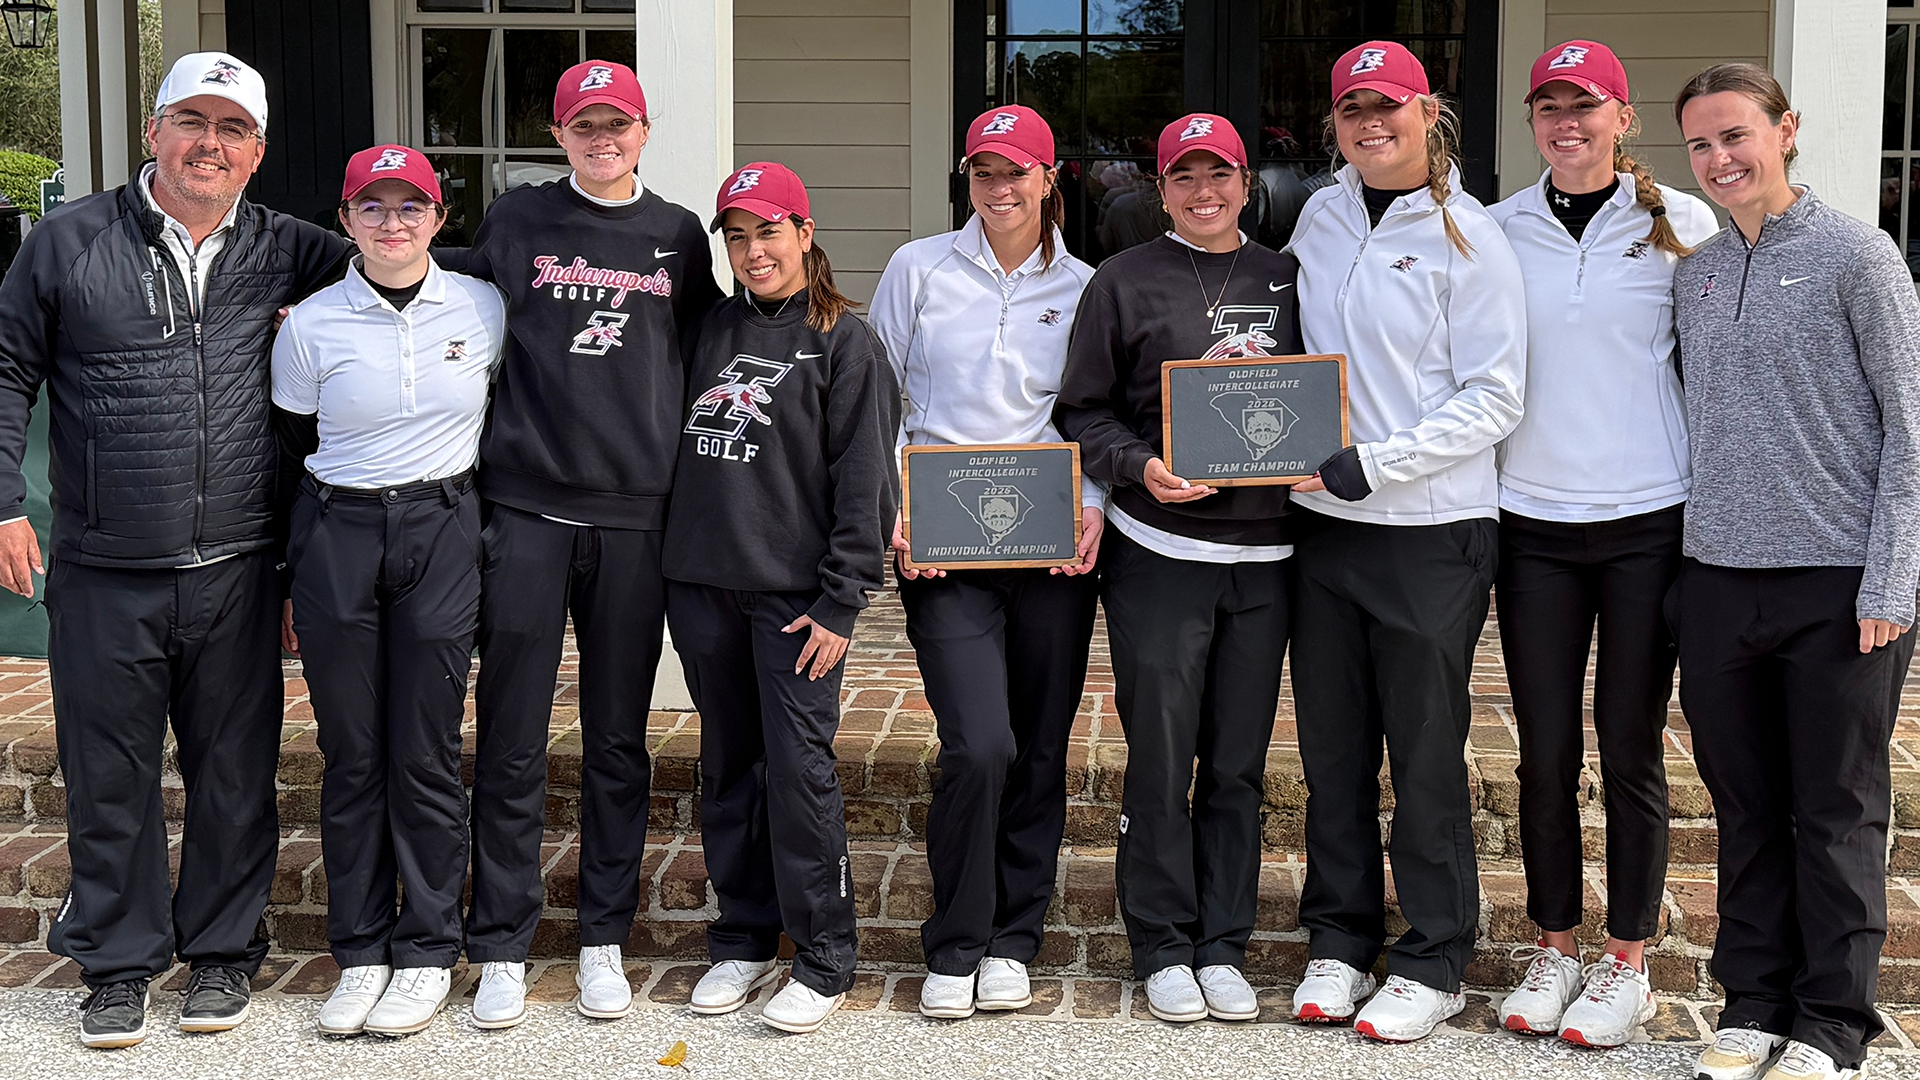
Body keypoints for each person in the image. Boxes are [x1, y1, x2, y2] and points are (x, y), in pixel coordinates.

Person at [0, 52, 350, 1048]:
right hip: (106, 566)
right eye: (191, 121)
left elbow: (404, 273)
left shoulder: (294, 252)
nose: (210, 144)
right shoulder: (68, 243)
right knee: (108, 776)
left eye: (232, 129)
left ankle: (224, 952)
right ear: (153, 131)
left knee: (234, 775)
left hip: (240, 564)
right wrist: (3, 505)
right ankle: (117, 965)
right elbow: (5, 367)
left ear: (257, 153)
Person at [453, 59, 724, 1028]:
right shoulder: (517, 220)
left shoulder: (679, 235)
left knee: (617, 738)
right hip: (527, 509)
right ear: (558, 136)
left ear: (644, 131)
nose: (602, 139)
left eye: (617, 124)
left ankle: (604, 935)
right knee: (512, 737)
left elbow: (706, 353)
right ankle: (501, 942)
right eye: (583, 125)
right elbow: (445, 302)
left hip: (634, 519)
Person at [1671, 63, 1920, 1080]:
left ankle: (1830, 1024)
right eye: (1701, 143)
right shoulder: (1693, 273)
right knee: (1744, 807)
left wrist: (1892, 581)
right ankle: (1752, 1003)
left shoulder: (1860, 256)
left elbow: (1910, 428)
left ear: (1786, 130)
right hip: (1718, 580)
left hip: (1838, 582)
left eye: (1736, 134)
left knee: (1835, 809)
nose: (1720, 158)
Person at [1283, 41, 1526, 1043]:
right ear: (1335, 124)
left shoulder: (1473, 236)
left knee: (1424, 754)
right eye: (1353, 109)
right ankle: (1340, 939)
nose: (1370, 123)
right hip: (1323, 530)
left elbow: (1496, 396)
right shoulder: (1321, 214)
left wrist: (1377, 464)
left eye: (1388, 105)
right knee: (1333, 750)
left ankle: (1434, 956)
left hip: (1429, 529)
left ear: (1429, 112)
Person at [1484, 40, 1719, 1048]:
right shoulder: (1496, 230)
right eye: (1550, 106)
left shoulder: (1686, 225)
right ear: (1532, 122)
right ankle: (1554, 945)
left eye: (1585, 105)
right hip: (1532, 523)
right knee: (1543, 752)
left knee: (1629, 746)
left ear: (1623, 118)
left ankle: (1626, 960)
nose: (1566, 122)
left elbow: (1718, 373)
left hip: (1646, 522)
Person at [1055, 113, 1299, 1025]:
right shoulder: (1122, 281)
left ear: (1247, 182)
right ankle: (1161, 941)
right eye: (1184, 177)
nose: (1205, 192)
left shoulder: (1290, 277)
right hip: (1161, 551)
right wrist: (1140, 466)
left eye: (1220, 174)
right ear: (1159, 190)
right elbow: (1083, 411)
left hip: (1269, 555)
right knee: (1161, 757)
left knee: (1237, 761)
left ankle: (1223, 943)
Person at [868, 105, 1101, 1020]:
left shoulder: (1085, 285)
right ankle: (959, 939)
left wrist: (1093, 505)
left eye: (1016, 172)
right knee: (979, 743)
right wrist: (896, 505)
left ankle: (1014, 937)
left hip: (1048, 543)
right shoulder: (919, 267)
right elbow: (878, 397)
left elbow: (1094, 411)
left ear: (1050, 177)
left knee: (1039, 745)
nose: (999, 189)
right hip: (944, 540)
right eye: (983, 172)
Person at [273, 146, 505, 1038]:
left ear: (439, 219)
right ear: (346, 221)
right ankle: (361, 949)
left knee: (425, 748)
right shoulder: (311, 324)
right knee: (352, 750)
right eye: (373, 207)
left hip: (440, 528)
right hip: (338, 529)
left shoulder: (481, 307)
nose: (393, 223)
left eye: (411, 207)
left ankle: (428, 950)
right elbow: (293, 442)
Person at [667, 162, 898, 1035]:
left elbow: (866, 482)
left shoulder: (845, 341)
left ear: (805, 233)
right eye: (737, 236)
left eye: (768, 231)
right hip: (703, 585)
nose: (752, 251)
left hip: (798, 601)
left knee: (799, 770)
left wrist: (842, 601)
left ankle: (825, 954)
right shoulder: (708, 329)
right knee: (729, 764)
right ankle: (743, 936)